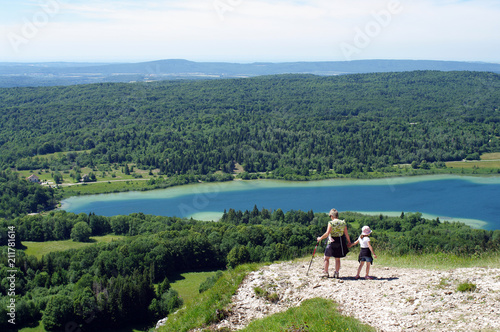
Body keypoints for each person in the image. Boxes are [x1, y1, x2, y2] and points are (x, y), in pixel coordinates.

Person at [316, 208, 351, 278]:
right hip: (340, 241)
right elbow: (346, 234)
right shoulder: (343, 223)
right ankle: (337, 273)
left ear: (332, 216)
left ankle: (325, 272)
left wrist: (320, 238)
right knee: (337, 258)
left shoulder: (331, 223)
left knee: (326, 257)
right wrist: (349, 242)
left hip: (331, 241)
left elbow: (327, 233)